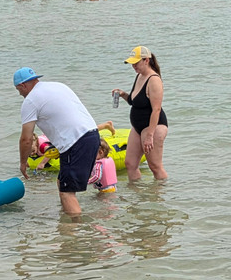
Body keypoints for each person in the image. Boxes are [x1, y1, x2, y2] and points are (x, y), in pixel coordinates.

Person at [15, 68, 100, 216]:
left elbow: (26, 139)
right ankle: (65, 217)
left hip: (75, 143)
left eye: (18, 90)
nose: (20, 94)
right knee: (62, 182)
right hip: (92, 134)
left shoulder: (30, 101)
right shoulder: (58, 86)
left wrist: (23, 163)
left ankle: (76, 227)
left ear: (23, 85)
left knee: (67, 193)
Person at [113, 46, 168, 181]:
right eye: (132, 63)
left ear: (146, 60)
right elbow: (134, 102)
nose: (134, 66)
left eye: (136, 63)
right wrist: (123, 94)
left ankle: (160, 193)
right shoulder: (139, 76)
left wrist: (150, 135)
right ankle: (137, 193)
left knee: (155, 166)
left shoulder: (154, 80)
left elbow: (156, 109)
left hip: (153, 127)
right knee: (130, 164)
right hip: (138, 127)